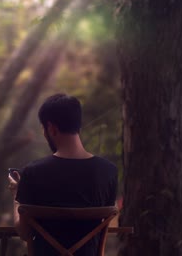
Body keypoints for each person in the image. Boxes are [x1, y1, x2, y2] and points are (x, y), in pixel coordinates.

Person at [8, 93, 117, 256]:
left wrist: (17, 196)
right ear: (78, 127)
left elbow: (24, 233)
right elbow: (106, 222)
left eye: (44, 130)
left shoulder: (34, 172)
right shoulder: (108, 171)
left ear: (51, 128)